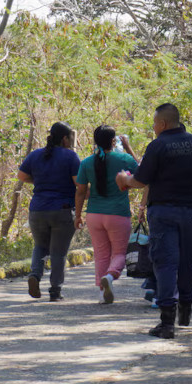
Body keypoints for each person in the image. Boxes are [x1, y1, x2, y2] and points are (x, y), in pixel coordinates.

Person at [116, 103, 192, 339]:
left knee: (165, 263)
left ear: (162, 123)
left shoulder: (158, 145)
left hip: (163, 213)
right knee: (187, 262)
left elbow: (140, 181)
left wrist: (124, 179)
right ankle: (186, 310)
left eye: (154, 124)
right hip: (191, 212)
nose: (153, 128)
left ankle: (167, 322)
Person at [74, 126, 138, 304]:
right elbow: (142, 174)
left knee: (101, 254)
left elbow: (80, 191)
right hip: (118, 214)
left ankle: (103, 294)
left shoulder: (86, 162)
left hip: (94, 214)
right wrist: (128, 148)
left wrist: (77, 215)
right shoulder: (124, 158)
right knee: (119, 253)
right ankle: (110, 277)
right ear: (113, 141)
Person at [17, 122, 80, 301]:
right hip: (62, 210)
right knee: (58, 252)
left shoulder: (35, 154)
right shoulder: (70, 156)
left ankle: (35, 275)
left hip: (37, 209)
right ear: (65, 139)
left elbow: (21, 176)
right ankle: (55, 290)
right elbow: (78, 183)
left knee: (40, 246)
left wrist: (39, 182)